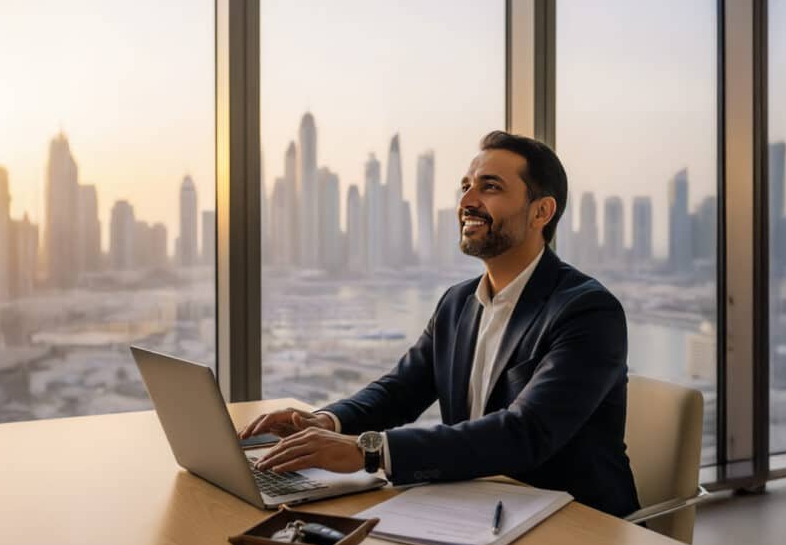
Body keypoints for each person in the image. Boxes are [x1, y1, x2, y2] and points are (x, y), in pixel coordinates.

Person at [240, 130, 640, 517]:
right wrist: (326, 421)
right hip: (475, 510)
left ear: (541, 211)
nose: (467, 200)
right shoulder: (457, 303)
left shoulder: (588, 312)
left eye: (490, 187)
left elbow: (526, 432)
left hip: (576, 526)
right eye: (465, 186)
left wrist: (369, 450)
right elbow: (400, 390)